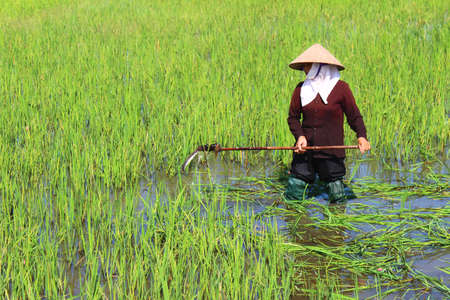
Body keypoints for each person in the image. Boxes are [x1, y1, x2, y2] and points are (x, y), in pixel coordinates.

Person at [284, 44, 370, 202]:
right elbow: (293, 118)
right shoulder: (301, 89)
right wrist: (300, 137)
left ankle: (335, 226)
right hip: (305, 150)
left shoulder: (341, 89)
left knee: (337, 198)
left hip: (331, 150)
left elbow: (354, 116)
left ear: (320, 66)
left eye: (308, 66)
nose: (304, 69)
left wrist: (361, 136)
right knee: (293, 194)